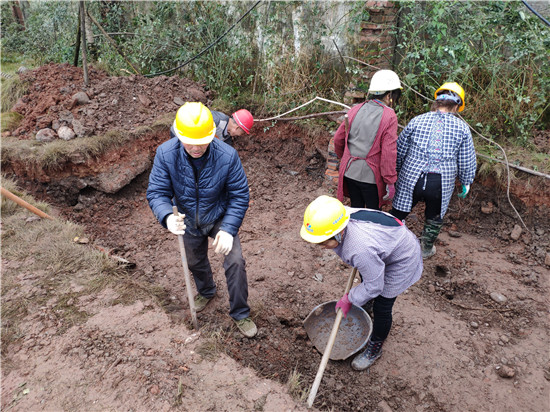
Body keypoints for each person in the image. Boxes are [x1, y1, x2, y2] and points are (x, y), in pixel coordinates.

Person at [147, 102, 257, 338]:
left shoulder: (227, 156)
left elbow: (240, 194)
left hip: (218, 216)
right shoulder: (166, 154)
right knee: (194, 261)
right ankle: (206, 291)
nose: (196, 147)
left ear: (212, 135)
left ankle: (241, 313)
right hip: (186, 218)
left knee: (236, 261)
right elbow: (157, 192)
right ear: (178, 134)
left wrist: (228, 229)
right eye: (190, 141)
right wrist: (166, 216)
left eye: (202, 141)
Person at [300, 195, 423, 371]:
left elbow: (375, 286)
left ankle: (375, 347)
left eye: (324, 242)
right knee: (369, 278)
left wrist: (350, 298)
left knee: (383, 305)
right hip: (384, 245)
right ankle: (367, 303)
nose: (321, 246)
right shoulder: (338, 216)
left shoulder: (359, 249)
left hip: (401, 258)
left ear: (340, 232)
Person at [391, 82, 477, 259]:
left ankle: (389, 241)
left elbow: (400, 149)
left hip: (411, 176)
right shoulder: (462, 128)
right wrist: (466, 181)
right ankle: (425, 248)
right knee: (434, 214)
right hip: (440, 181)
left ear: (437, 101)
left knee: (400, 209)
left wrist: (395, 171)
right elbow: (466, 159)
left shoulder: (418, 120)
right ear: (457, 105)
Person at [334, 69, 402, 210]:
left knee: (356, 208)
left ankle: (354, 232)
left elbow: (338, 139)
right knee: (372, 214)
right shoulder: (389, 116)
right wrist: (390, 181)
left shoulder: (355, 109)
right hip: (371, 178)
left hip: (349, 171)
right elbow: (388, 154)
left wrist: (345, 158)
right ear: (389, 94)